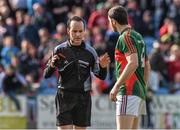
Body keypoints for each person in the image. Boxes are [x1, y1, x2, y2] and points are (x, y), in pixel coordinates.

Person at [43, 16, 110, 130]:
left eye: (80, 31)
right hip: (64, 96)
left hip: (83, 98)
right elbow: (46, 75)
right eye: (74, 31)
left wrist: (103, 67)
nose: (78, 34)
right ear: (68, 31)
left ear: (84, 31)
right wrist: (52, 65)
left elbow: (101, 76)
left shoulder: (90, 52)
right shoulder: (59, 50)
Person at [108, 6, 151, 130]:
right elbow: (147, 66)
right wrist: (143, 88)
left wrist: (116, 86)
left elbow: (133, 63)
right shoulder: (138, 37)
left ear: (113, 21)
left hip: (128, 90)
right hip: (138, 92)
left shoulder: (125, 37)